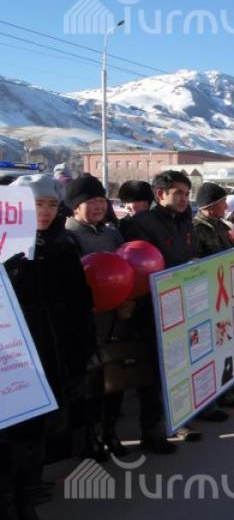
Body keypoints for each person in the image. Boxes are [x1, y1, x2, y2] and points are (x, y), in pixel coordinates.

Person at [3, 175, 96, 520]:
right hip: (12, 360)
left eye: (51, 205)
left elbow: (80, 302)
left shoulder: (62, 245)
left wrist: (80, 353)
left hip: (52, 354)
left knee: (35, 436)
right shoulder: (5, 246)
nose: (44, 212)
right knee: (8, 440)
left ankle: (26, 502)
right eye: (36, 204)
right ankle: (7, 511)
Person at [122, 170, 199, 451]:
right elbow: (140, 266)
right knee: (154, 372)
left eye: (186, 194)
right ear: (160, 194)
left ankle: (180, 418)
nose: (183, 199)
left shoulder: (185, 220)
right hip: (152, 306)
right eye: (177, 193)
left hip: (184, 301)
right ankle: (153, 432)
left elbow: (192, 251)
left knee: (183, 363)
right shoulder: (140, 224)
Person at [63, 175, 131, 460]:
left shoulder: (112, 234)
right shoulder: (67, 237)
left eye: (102, 200)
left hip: (116, 318)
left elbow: (128, 268)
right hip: (86, 321)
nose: (99, 206)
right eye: (91, 201)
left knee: (115, 379)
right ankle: (89, 439)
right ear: (75, 206)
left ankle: (110, 432)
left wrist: (127, 299)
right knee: (90, 385)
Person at [192, 182, 234, 421]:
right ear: (210, 206)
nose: (226, 206)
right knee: (207, 351)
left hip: (224, 294)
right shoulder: (196, 228)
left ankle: (224, 390)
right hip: (207, 296)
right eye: (222, 202)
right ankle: (207, 403)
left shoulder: (219, 226)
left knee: (224, 343)